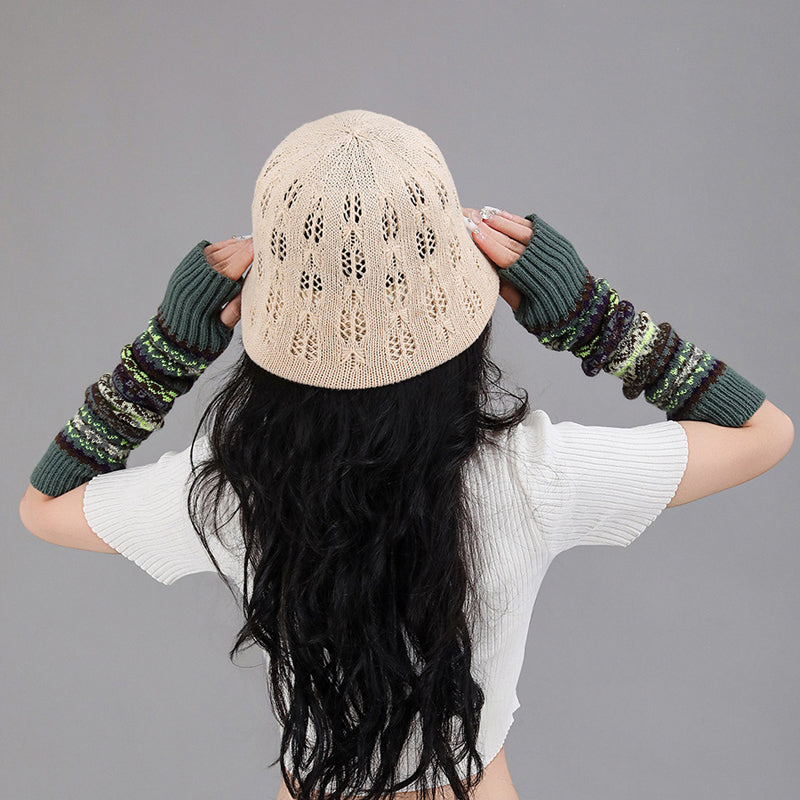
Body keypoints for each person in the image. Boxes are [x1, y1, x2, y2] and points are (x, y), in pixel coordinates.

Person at [19, 109, 793, 800]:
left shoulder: (233, 494)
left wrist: (163, 356)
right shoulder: (533, 476)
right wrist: (593, 317)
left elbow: (44, 507)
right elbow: (763, 434)